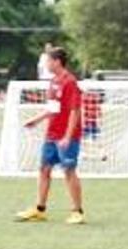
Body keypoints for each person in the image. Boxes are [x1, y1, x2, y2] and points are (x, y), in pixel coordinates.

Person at [16, 47, 85, 225]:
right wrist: (36, 120)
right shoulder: (53, 82)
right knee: (44, 169)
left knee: (69, 171)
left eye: (48, 60)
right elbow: (53, 109)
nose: (45, 64)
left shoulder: (70, 82)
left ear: (57, 61)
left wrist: (68, 137)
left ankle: (77, 211)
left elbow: (75, 112)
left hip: (66, 137)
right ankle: (40, 209)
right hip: (51, 135)